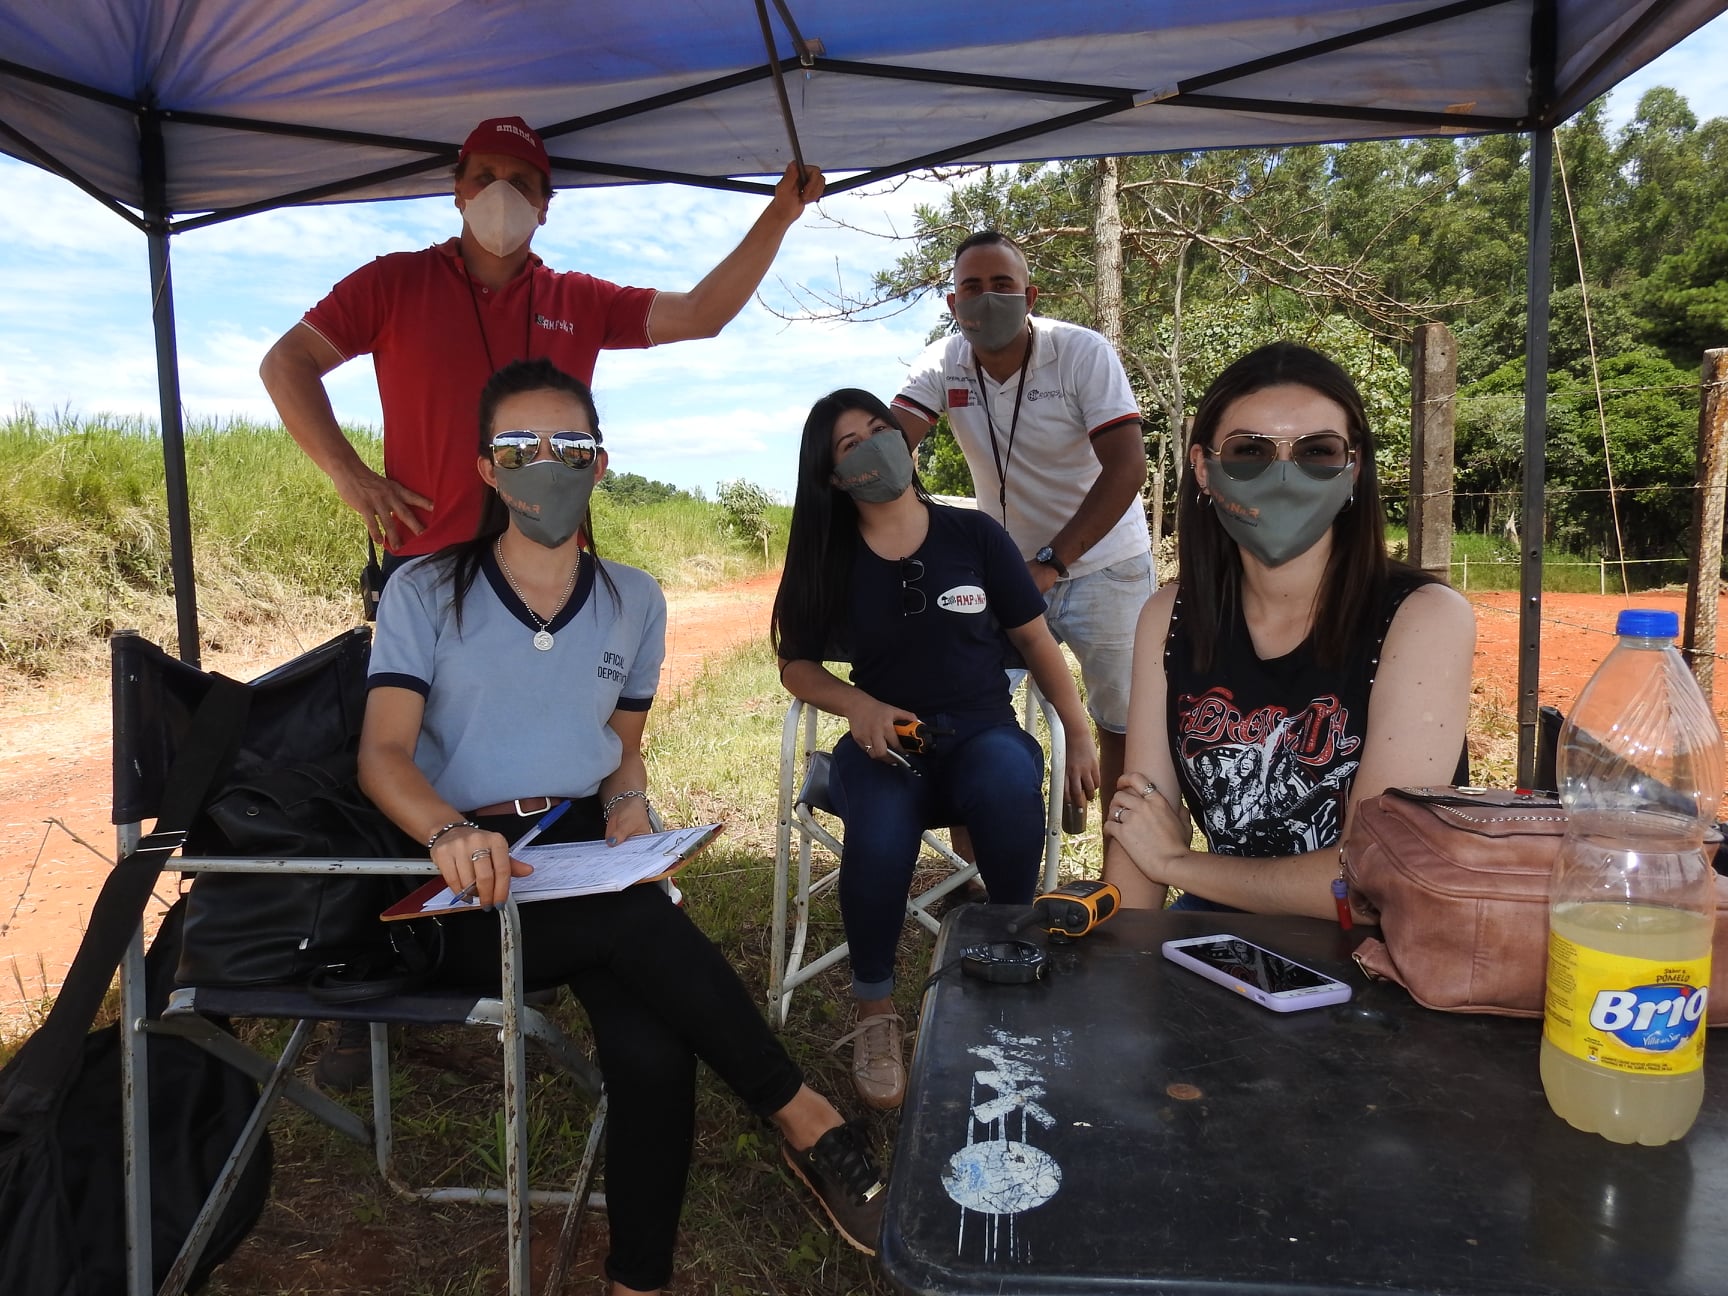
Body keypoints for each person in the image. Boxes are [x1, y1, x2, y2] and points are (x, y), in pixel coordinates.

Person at [357, 358, 886, 1289]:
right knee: (639, 920)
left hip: (576, 852)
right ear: (485, 469)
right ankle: (805, 1119)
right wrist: (448, 833)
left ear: (600, 463)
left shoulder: (633, 599)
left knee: (652, 1046)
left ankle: (637, 1279)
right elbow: (383, 754)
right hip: (465, 876)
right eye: (517, 447)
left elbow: (621, 751)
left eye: (569, 446)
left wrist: (628, 809)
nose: (545, 464)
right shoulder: (425, 590)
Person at [262, 115, 825, 563]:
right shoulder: (393, 283)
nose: (501, 192)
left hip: (548, 565)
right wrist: (349, 473)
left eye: (521, 183)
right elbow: (285, 362)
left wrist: (780, 214)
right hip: (427, 558)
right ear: (458, 191)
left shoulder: (580, 299)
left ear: (544, 207)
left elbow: (702, 313)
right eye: (485, 177)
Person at [772, 389, 1099, 1110]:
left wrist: (1078, 730)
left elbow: (1033, 638)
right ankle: (875, 1011)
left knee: (1008, 775)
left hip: (982, 731)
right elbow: (795, 664)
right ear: (832, 477)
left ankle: (1010, 962)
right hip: (886, 743)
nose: (876, 446)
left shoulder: (975, 536)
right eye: (851, 444)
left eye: (881, 429)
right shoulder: (828, 557)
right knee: (882, 825)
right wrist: (858, 705)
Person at [1100, 342, 1476, 916]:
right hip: (1219, 926)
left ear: (1353, 468)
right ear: (1202, 468)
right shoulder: (1170, 616)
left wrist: (1176, 865)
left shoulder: (1422, 618)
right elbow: (1143, 819)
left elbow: (1376, 876)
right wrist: (1120, 952)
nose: (1282, 476)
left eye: (1316, 451)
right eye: (1249, 450)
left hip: (1375, 949)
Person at [892, 229, 1151, 817]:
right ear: (953, 302)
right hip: (1006, 573)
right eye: (972, 287)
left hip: (1105, 564)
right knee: (971, 709)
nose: (987, 298)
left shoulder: (1081, 352)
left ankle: (1121, 852)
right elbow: (889, 448)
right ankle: (987, 853)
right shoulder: (942, 363)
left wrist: (1052, 562)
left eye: (1002, 284)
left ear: (1029, 296)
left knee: (1124, 722)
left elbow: (1128, 467)